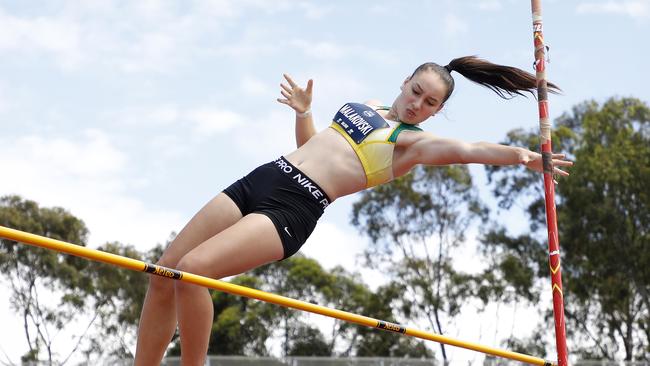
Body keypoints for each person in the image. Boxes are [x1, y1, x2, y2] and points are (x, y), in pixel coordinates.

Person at [133, 56, 572, 365]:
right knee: (163, 273)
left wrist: (523, 156)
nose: (417, 103)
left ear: (437, 112)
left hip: (295, 206)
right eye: (416, 91)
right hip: (266, 176)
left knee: (191, 272)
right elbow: (311, 149)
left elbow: (468, 149)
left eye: (430, 103)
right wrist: (305, 114)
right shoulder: (364, 108)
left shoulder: (411, 145)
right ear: (405, 81)